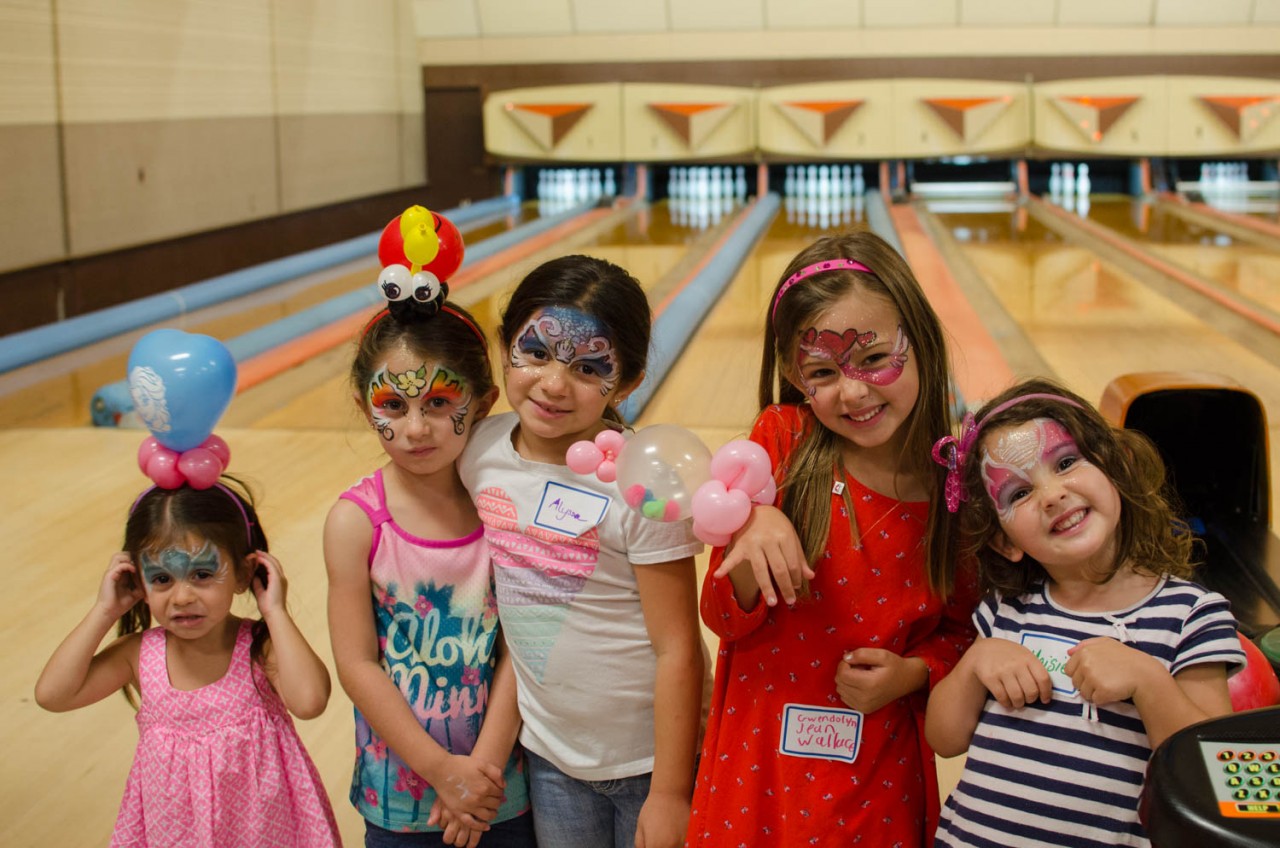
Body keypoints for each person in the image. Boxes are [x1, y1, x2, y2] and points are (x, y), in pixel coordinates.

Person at [686, 232, 977, 847]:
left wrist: (914, 674)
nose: (853, 392)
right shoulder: (781, 443)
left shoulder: (955, 489)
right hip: (759, 768)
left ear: (918, 339)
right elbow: (722, 616)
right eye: (822, 372)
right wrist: (750, 529)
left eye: (874, 359)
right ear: (796, 375)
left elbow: (962, 632)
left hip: (875, 773)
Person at [925, 379, 1245, 848]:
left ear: (1113, 467)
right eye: (1018, 494)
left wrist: (1148, 681)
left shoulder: (1190, 615)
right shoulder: (1007, 613)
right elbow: (944, 738)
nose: (1052, 494)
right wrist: (975, 664)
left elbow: (1211, 772)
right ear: (1004, 541)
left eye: (1066, 462)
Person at [458, 254, 705, 848]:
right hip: (549, 757)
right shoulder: (479, 452)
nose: (552, 383)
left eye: (589, 366)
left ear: (628, 381)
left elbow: (678, 646)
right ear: (505, 344)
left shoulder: (639, 479)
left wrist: (672, 792)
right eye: (536, 351)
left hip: (651, 760)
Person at [324, 285, 535, 846]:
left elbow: (520, 643)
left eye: (439, 403)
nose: (416, 428)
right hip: (399, 802)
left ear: (484, 402)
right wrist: (444, 772)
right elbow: (357, 665)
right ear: (363, 405)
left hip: (502, 791)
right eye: (393, 405)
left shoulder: (502, 507)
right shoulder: (356, 522)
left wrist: (482, 772)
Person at [35, 478, 341, 847]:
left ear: (244, 573)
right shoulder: (139, 655)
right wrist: (105, 610)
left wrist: (274, 611)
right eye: (161, 579)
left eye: (202, 574)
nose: (182, 597)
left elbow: (310, 702)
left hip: (264, 832)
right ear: (138, 582)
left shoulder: (259, 648)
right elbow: (53, 695)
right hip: (177, 835)